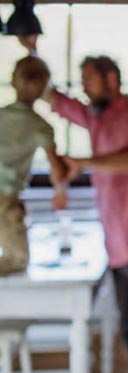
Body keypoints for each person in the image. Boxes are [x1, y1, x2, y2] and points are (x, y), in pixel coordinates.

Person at [44, 55, 128, 373]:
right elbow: (57, 101)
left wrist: (85, 161)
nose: (85, 87)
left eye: (90, 79)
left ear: (112, 78)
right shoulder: (99, 117)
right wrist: (32, 51)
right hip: (115, 243)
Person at [0, 56, 67, 275]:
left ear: (12, 81)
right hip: (6, 200)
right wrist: (60, 192)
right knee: (18, 260)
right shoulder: (41, 126)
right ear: (44, 91)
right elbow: (56, 169)